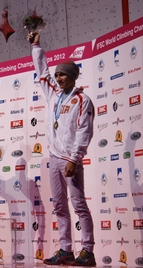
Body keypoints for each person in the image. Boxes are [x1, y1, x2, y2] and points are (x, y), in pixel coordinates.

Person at [29, 32, 96, 266]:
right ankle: (65, 249)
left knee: (78, 204)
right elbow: (42, 72)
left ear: (72, 77)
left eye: (62, 75)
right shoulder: (54, 95)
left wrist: (75, 158)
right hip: (54, 158)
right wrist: (36, 45)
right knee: (59, 205)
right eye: (57, 74)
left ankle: (87, 250)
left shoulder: (82, 100)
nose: (57, 78)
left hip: (70, 160)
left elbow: (84, 131)